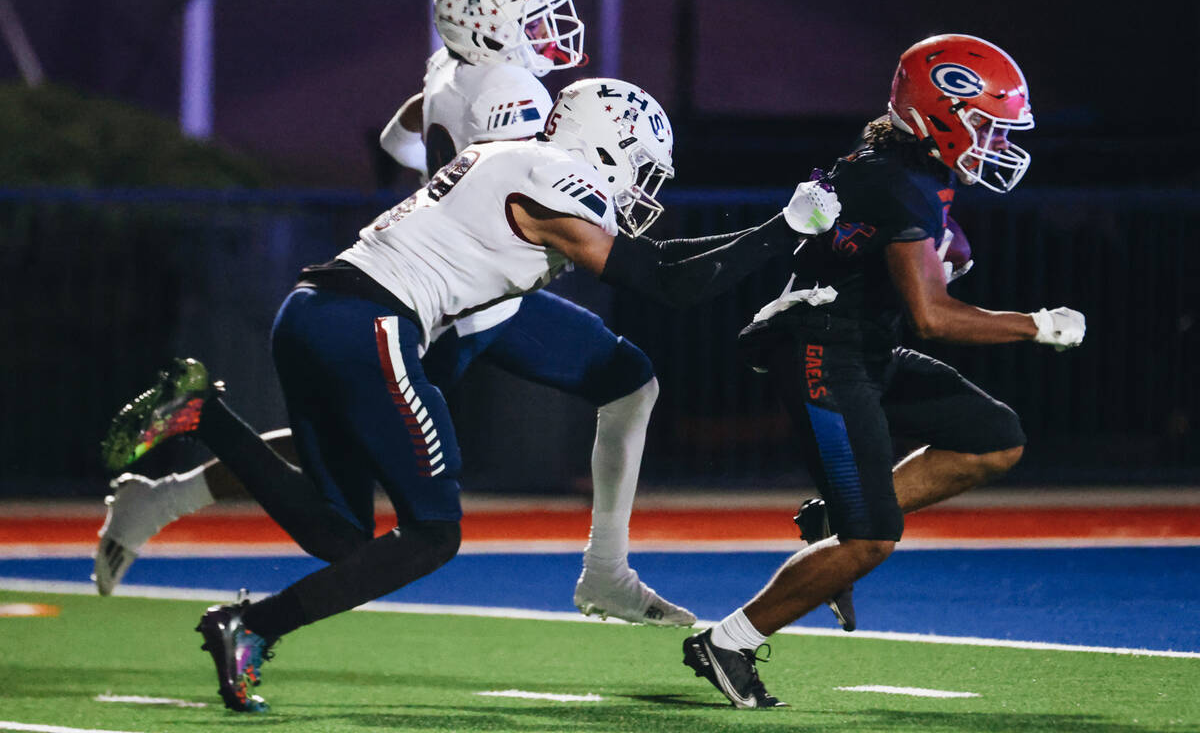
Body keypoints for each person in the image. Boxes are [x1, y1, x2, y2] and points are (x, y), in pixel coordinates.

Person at [113, 77, 837, 712]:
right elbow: (668, 281)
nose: (644, 187)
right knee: (433, 533)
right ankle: (253, 626)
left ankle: (204, 415)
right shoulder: (553, 174)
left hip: (312, 312)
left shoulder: (508, 154)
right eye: (641, 166)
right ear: (604, 144)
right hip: (370, 322)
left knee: (339, 535)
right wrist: (783, 230)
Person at [96, 0, 684, 629]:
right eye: (533, 19)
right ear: (492, 29)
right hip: (471, 301)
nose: (551, 31)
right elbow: (528, 185)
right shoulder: (517, 92)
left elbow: (398, 140)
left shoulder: (450, 68)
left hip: (449, 283)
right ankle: (606, 570)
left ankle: (165, 496)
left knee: (362, 434)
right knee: (611, 387)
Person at [680, 33, 1087, 709]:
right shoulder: (899, 181)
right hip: (822, 351)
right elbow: (931, 317)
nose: (996, 140)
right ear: (940, 112)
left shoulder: (900, 166)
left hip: (857, 346)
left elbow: (912, 243)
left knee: (993, 435)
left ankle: (833, 522)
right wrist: (1035, 324)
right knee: (871, 539)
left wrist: (940, 248)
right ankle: (728, 641)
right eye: (986, 122)